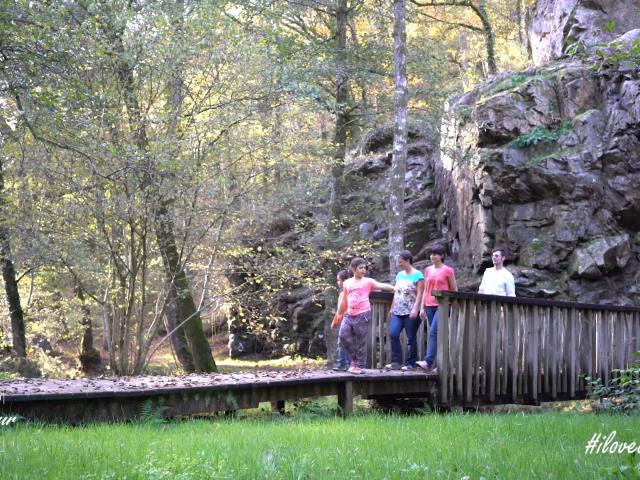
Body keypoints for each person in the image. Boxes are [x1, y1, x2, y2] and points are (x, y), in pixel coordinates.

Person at [338, 257, 395, 374]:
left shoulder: (368, 281)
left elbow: (382, 286)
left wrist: (395, 288)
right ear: (353, 269)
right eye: (361, 268)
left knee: (361, 341)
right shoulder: (347, 283)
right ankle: (354, 359)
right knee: (343, 335)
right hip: (349, 314)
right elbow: (344, 299)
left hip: (362, 314)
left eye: (365, 268)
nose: (364, 270)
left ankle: (359, 366)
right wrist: (340, 312)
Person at [416, 245, 458, 374]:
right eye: (431, 254)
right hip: (429, 305)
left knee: (434, 332)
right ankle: (440, 364)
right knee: (437, 334)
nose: (432, 256)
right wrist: (422, 308)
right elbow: (425, 290)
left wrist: (452, 304)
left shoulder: (448, 270)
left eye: (435, 254)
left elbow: (454, 290)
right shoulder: (427, 270)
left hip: (443, 305)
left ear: (442, 256)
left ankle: (428, 362)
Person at [385, 250, 425, 371]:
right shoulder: (399, 275)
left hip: (411, 311)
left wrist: (415, 309)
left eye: (400, 261)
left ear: (407, 260)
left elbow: (420, 293)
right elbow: (397, 293)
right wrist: (392, 307)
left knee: (410, 337)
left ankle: (411, 363)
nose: (398, 263)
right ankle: (396, 361)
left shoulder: (419, 275)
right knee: (393, 333)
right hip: (398, 310)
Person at [331, 269, 351, 371]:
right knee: (343, 342)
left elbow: (344, 309)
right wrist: (335, 321)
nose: (338, 282)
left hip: (349, 321)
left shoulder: (348, 293)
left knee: (343, 342)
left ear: (345, 281)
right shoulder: (341, 294)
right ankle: (345, 364)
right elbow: (339, 310)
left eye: (339, 280)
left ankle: (344, 364)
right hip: (343, 321)